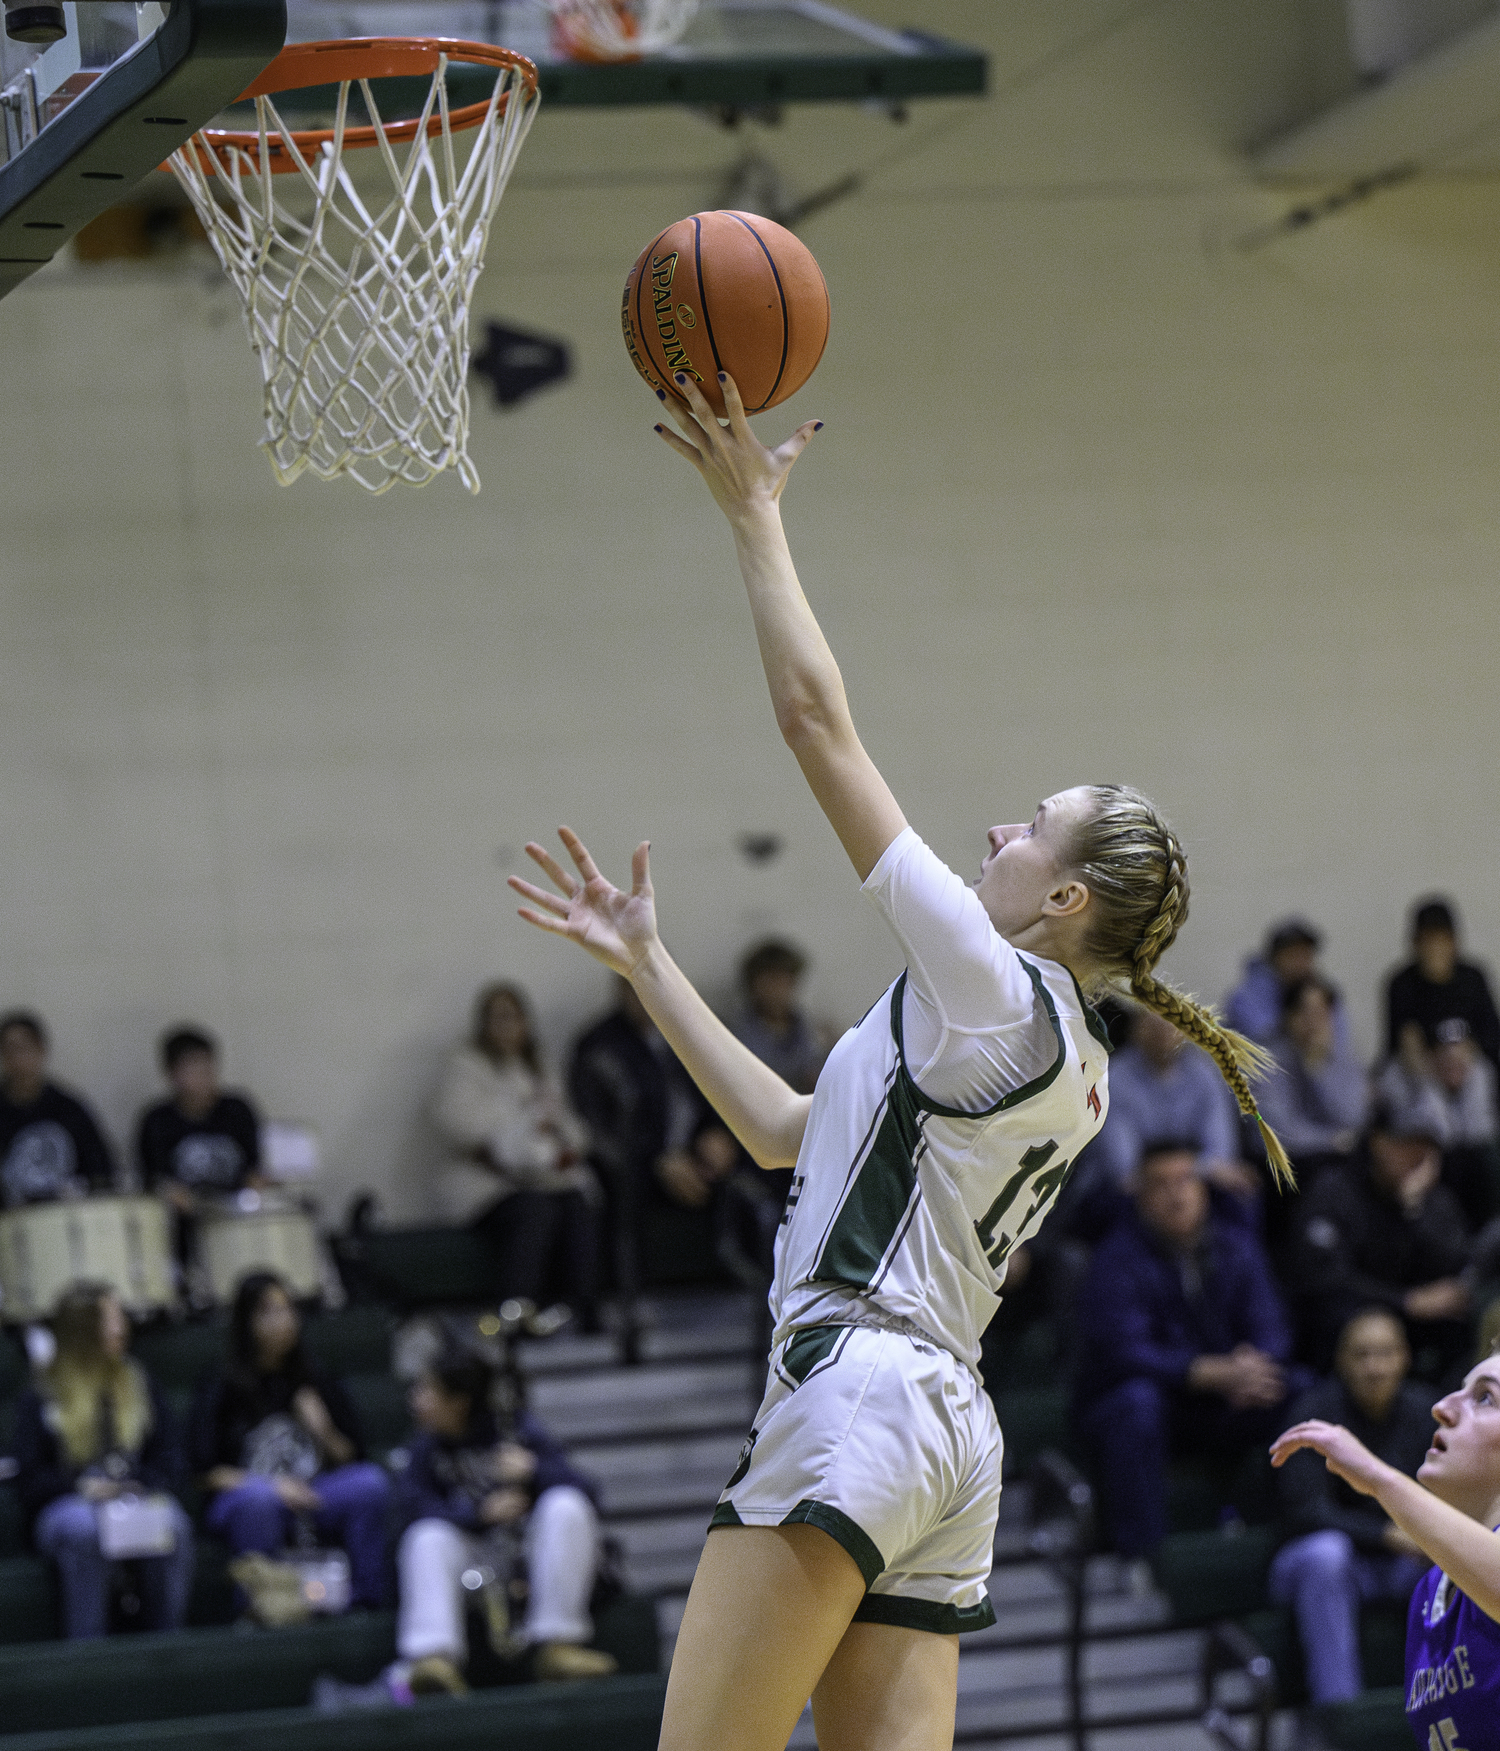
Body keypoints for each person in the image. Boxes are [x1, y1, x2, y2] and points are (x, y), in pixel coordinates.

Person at [505, 369, 1292, 1751]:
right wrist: (651, 967)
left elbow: (817, 726)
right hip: (948, 1432)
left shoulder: (990, 983)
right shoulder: (1074, 1060)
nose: (997, 828)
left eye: (1032, 824)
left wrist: (753, 513)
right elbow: (784, 1133)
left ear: (1067, 902)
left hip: (860, 1388)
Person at [1073, 1143, 1305, 1558]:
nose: (1176, 1194)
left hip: (1228, 1396)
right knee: (1134, 1404)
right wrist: (1204, 1372)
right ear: (1139, 1196)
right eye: (1161, 1184)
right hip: (1164, 1400)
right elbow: (1125, 1351)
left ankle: (1293, 1535)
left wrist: (1251, 1368)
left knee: (1300, 1391)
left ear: (1203, 1187)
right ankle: (1142, 1560)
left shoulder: (1237, 1246)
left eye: (1185, 1180)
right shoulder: (1115, 1260)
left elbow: (1273, 1328)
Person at [1271, 1345, 1500, 1748]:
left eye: (1485, 1398)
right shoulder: (1431, 1590)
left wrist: (1380, 1479)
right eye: (1458, 1390)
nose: (1443, 1407)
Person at [394, 1346, 616, 1692]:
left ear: (459, 1401)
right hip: (472, 1562)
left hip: (526, 1554)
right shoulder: (425, 1447)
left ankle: (558, 1644)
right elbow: (408, 1508)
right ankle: (433, 1658)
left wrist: (535, 1470)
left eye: (426, 1390)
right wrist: (477, 1513)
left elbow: (589, 1492)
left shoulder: (513, 1427)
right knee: (426, 1537)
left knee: (565, 1505)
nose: (415, 1399)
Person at [190, 1272, 390, 1612]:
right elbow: (204, 1472)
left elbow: (353, 1458)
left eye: (288, 1310)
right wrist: (273, 1486)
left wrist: (323, 1430)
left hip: (315, 1490)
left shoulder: (317, 1378)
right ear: (247, 1321)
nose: (284, 1321)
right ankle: (262, 1608)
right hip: (250, 1494)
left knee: (370, 1484)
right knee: (257, 1502)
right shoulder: (221, 1384)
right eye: (270, 1311)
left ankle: (365, 1603)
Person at [1268, 1308, 1433, 1704]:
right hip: (1318, 1566)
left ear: (1405, 1358)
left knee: (1453, 1556)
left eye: (1385, 1354)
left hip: (1398, 1567)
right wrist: (1387, 1535)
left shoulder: (1427, 1412)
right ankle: (1340, 1714)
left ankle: (1450, 1705)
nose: (1374, 1367)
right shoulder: (1312, 1414)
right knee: (1327, 1554)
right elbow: (1303, 1514)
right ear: (1341, 1361)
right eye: (1361, 1355)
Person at [13, 1282, 194, 1638]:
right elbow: (30, 1478)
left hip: (132, 1497)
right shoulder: (42, 1392)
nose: (120, 1328)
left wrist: (136, 1483)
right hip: (70, 1505)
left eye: (120, 1318)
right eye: (109, 1320)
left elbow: (171, 1458)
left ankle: (167, 1639)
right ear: (83, 1331)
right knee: (84, 1529)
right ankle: (86, 1645)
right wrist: (83, 1488)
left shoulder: (139, 1382)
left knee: (173, 1525)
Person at [431, 982, 601, 1331]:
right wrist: (520, 1131)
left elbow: (572, 1128)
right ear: (483, 1024)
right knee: (534, 1210)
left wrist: (556, 1136)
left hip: (544, 1176)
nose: (507, 1027)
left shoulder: (540, 1067)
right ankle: (515, 1311)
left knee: (577, 1205)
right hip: (489, 1182)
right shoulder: (466, 1064)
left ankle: (581, 1309)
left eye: (514, 1018)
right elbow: (457, 1122)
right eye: (498, 1018)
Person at [1288, 1105, 1473, 1375]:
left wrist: (1413, 1213)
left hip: (1421, 1339)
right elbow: (1325, 1283)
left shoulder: (1435, 1202)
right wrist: (1406, 1302)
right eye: (1407, 1145)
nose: (1417, 1157)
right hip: (1344, 1338)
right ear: (1377, 1142)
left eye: (1427, 1148)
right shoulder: (1333, 1192)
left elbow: (1455, 1268)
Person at [1093, 1006, 1261, 1206]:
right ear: (1134, 1028)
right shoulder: (1114, 1076)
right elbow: (1123, 1167)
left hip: (1195, 1180)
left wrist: (1189, 1174)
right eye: (1153, 1024)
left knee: (1242, 1193)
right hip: (1133, 1188)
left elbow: (1220, 1153)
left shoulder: (1204, 1072)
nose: (1162, 1030)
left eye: (1170, 1022)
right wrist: (1182, 1174)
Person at [1377, 1017, 1500, 1234]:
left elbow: (1479, 1134)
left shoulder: (1481, 1073)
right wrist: (1427, 1085)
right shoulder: (1404, 1077)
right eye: (1444, 1055)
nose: (1453, 1061)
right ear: (1429, 1056)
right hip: (1420, 1173)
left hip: (1470, 1171)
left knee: (1485, 1158)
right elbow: (1437, 1135)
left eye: (1461, 1054)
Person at [136, 1025, 265, 1209]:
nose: (204, 1078)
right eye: (193, 1070)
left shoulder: (237, 1110)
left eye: (207, 1067)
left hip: (234, 1215)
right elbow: (155, 1181)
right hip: (183, 1224)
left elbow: (255, 1169)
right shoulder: (157, 1121)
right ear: (172, 1075)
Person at [1254, 975, 1368, 1178]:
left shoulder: (1343, 1058)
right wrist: (1331, 1141)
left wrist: (1319, 1072)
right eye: (1305, 1011)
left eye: (1321, 1012)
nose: (1313, 1022)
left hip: (1338, 1159)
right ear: (1288, 1017)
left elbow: (1354, 1118)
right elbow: (1275, 1134)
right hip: (1287, 1166)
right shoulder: (1265, 1061)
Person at [0, 1012, 116, 1208]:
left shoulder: (70, 1109)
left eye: (23, 1048)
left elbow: (102, 1173)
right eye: (9, 1049)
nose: (17, 1058)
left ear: (41, 1049)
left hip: (66, 1220)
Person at [1386, 897, 1500, 1074]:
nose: (1435, 949)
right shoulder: (1402, 983)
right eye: (1428, 942)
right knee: (1393, 1080)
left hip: (1468, 1063)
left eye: (1442, 941)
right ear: (1416, 944)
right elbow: (1400, 1043)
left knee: (1480, 1076)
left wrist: (1467, 1049)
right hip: (1422, 1065)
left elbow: (1492, 1034)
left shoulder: (1473, 978)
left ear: (1454, 942)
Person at [1224, 918, 1347, 1050]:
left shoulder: (1321, 993)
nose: (1300, 963)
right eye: (1293, 955)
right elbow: (1261, 1042)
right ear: (1275, 958)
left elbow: (1342, 1049)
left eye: (1306, 955)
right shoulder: (1246, 998)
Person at [730, 939, 828, 1095]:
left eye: (784, 980)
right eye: (770, 981)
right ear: (754, 985)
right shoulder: (736, 1033)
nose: (777, 990)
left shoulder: (812, 1033)